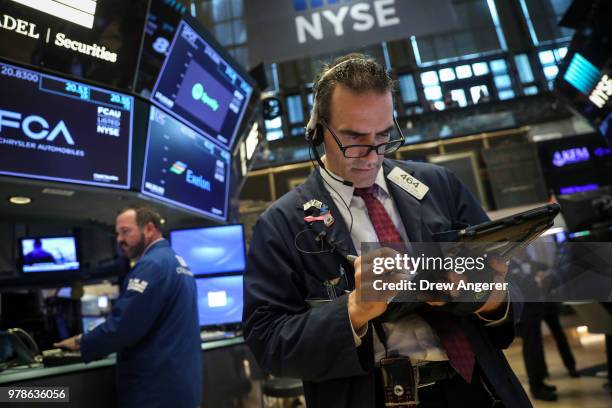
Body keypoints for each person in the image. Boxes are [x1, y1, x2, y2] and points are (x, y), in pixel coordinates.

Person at [243, 54, 531, 407]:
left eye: (383, 135)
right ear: (318, 129)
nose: (371, 155)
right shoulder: (280, 223)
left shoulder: (439, 186)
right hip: (372, 395)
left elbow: (514, 291)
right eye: (354, 137)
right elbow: (267, 341)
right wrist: (353, 310)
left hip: (478, 389)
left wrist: (487, 295)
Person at [55, 206, 202, 408]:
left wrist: (83, 342)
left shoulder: (151, 265)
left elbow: (124, 326)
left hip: (155, 392)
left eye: (125, 231)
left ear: (149, 229)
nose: (119, 239)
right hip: (179, 388)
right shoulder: (178, 262)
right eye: (117, 233)